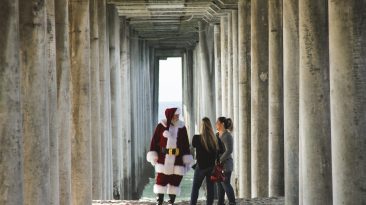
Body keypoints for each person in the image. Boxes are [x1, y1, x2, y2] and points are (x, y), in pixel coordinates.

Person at [146, 107, 194, 205]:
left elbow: (185, 144)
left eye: (178, 115)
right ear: (170, 116)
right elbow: (154, 141)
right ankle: (159, 200)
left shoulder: (182, 127)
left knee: (175, 180)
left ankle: (171, 201)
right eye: (176, 115)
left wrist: (187, 158)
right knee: (161, 180)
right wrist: (153, 155)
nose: (177, 117)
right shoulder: (161, 126)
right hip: (163, 158)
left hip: (178, 159)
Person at [190, 117, 222, 205]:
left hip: (200, 167)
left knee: (195, 188)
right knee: (210, 189)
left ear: (201, 126)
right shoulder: (215, 138)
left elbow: (193, 145)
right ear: (210, 126)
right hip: (211, 167)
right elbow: (222, 150)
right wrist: (217, 159)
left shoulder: (196, 138)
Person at [215, 117, 236, 205]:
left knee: (225, 183)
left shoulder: (227, 135)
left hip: (226, 164)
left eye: (217, 122)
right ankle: (220, 203)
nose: (216, 124)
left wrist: (220, 159)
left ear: (222, 124)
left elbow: (229, 150)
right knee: (219, 185)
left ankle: (232, 202)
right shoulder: (217, 134)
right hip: (218, 164)